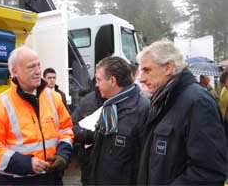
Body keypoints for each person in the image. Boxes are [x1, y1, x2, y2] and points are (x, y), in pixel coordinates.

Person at [137, 40, 227, 185]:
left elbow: (209, 172)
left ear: (168, 68)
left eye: (147, 70)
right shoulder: (162, 100)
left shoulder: (198, 102)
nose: (141, 78)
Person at [0, 46, 74, 185]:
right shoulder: (0, 106)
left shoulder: (53, 97)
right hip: (17, 181)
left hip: (52, 179)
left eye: (38, 65)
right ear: (14, 71)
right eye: (31, 67)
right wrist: (26, 163)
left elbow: (66, 130)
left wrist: (63, 155)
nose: (38, 72)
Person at [88, 56, 150, 185]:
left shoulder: (143, 109)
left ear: (112, 81)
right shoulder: (110, 106)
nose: (96, 84)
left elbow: (147, 162)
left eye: (99, 79)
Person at [71, 87, 105, 185]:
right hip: (88, 160)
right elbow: (71, 127)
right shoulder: (87, 100)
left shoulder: (122, 102)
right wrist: (89, 135)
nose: (98, 84)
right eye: (97, 80)